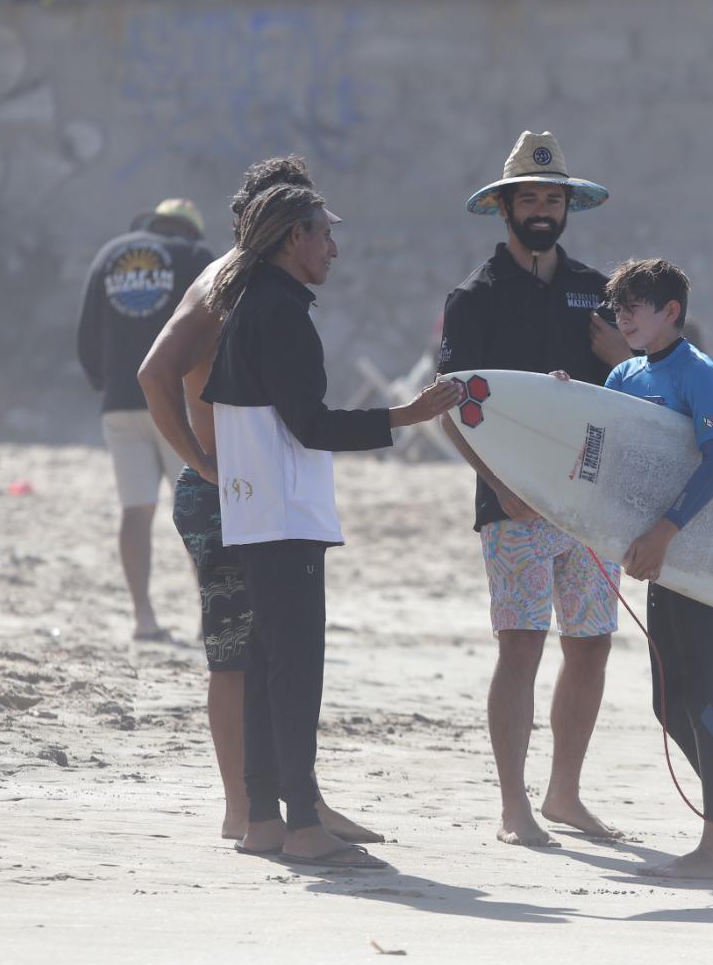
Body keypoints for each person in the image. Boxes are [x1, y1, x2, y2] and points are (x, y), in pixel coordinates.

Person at [201, 182, 460, 867]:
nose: (333, 249)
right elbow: (311, 426)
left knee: (262, 666)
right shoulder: (280, 312)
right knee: (295, 669)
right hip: (285, 514)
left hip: (255, 509)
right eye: (323, 234)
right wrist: (407, 415)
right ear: (294, 238)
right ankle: (305, 821)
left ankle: (263, 820)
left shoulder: (244, 306)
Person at [140, 157, 392, 844]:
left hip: (249, 482)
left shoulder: (255, 288)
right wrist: (199, 461)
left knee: (269, 650)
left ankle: (281, 804)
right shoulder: (228, 285)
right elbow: (152, 372)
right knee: (242, 655)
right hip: (228, 488)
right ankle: (246, 808)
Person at [437, 130, 633, 847]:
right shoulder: (475, 298)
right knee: (520, 646)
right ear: (504, 208)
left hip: (592, 504)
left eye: (554, 197)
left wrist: (625, 356)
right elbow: (450, 408)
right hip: (515, 503)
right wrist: (501, 487)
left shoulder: (597, 290)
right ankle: (513, 806)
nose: (543, 209)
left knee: (591, 645)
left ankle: (565, 795)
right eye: (530, 198)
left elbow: (631, 395)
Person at [590, 257, 713, 879]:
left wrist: (667, 531)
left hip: (692, 549)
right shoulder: (623, 374)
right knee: (669, 705)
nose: (622, 319)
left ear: (671, 311)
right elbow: (603, 450)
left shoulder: (698, 373)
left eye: (633, 308)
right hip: (653, 555)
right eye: (617, 310)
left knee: (702, 694)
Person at [78, 199, 213, 641]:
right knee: (197, 511)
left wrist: (107, 381)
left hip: (120, 400)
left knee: (135, 509)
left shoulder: (110, 255)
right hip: (178, 402)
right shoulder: (194, 257)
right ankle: (207, 617)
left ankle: (144, 618)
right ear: (190, 230)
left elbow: (86, 334)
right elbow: (218, 324)